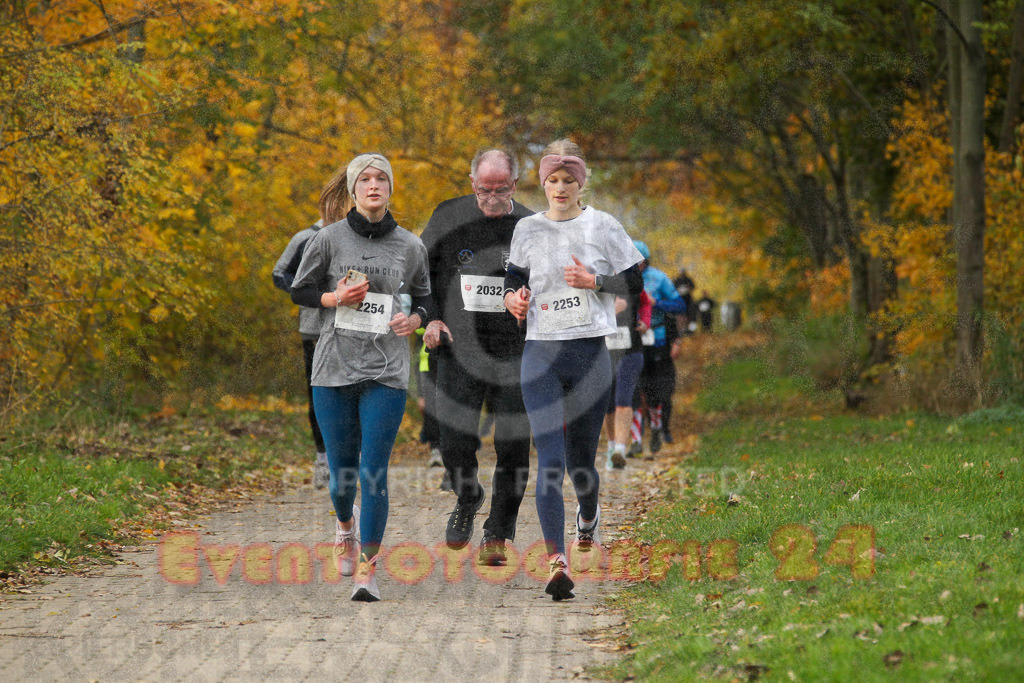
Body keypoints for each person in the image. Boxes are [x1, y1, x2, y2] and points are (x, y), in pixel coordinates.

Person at [504, 140, 643, 600]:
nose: (560, 188)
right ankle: (556, 562)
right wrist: (513, 299)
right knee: (550, 461)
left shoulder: (602, 225)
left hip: (589, 354)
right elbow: (514, 278)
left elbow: (634, 281)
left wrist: (595, 281)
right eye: (552, 181)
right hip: (540, 354)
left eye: (568, 181)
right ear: (542, 184)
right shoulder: (527, 228)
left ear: (581, 184)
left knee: (581, 462)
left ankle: (588, 516)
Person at [290, 153, 431, 602]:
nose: (374, 185)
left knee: (374, 473)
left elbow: (425, 296)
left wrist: (417, 319)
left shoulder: (410, 245)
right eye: (365, 179)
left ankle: (368, 571)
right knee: (341, 480)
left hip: (387, 371)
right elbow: (300, 289)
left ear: (390, 189)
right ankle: (344, 525)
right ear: (353, 190)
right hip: (333, 367)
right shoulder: (328, 238)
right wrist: (334, 298)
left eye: (381, 179)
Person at [420, 149, 534, 566]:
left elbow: (550, 282)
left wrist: (530, 303)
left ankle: (498, 533)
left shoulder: (530, 225)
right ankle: (468, 495)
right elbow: (420, 275)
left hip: (515, 351)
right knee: (453, 440)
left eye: (501, 190)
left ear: (514, 185)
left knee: (513, 444)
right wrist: (430, 318)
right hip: (458, 346)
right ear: (472, 183)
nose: (492, 198)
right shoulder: (447, 216)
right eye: (484, 189)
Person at [272, 168, 353, 489]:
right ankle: (323, 459)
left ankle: (350, 461)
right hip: (315, 329)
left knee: (354, 393)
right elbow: (280, 274)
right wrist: (312, 293)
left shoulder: (362, 237)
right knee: (320, 395)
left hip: (354, 328)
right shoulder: (306, 237)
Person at [634, 241, 685, 454]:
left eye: (638, 260)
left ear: (645, 260)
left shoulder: (659, 278)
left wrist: (657, 303)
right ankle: (636, 436)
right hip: (632, 340)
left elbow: (680, 305)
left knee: (659, 390)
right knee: (635, 390)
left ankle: (661, 429)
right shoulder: (620, 277)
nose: (634, 264)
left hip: (658, 340)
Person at [602, 279, 651, 470]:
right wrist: (609, 313)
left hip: (631, 350)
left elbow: (645, 302)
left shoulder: (632, 279)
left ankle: (620, 450)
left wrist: (645, 321)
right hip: (604, 351)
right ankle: (611, 446)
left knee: (623, 399)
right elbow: (582, 313)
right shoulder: (593, 276)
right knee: (608, 405)